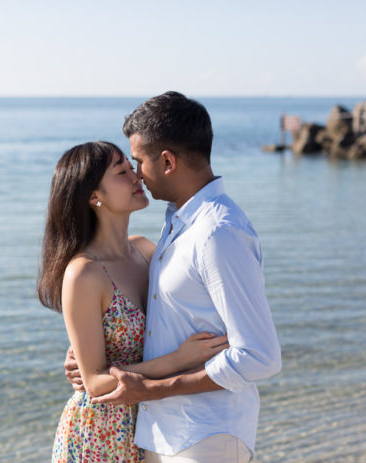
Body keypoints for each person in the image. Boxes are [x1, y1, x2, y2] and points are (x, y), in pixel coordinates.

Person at [64, 92, 282, 463]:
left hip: (206, 434)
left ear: (167, 161)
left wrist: (156, 388)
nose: (136, 174)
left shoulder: (217, 233)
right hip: (163, 434)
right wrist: (88, 359)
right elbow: (150, 316)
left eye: (138, 161)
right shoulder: (176, 227)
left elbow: (259, 356)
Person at [38, 141, 229, 462]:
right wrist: (179, 360)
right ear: (94, 196)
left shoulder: (145, 250)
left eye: (132, 167)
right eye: (122, 172)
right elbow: (96, 383)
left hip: (156, 424)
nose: (137, 176)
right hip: (100, 431)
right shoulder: (84, 273)